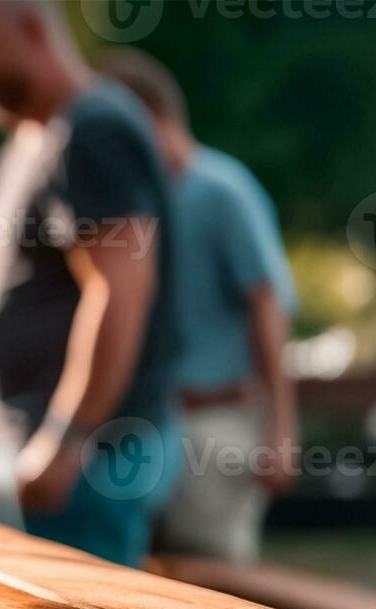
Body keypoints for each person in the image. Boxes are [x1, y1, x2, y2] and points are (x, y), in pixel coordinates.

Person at [0, 0, 183, 567]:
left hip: (85, 458)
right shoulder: (34, 141)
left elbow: (119, 291)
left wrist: (68, 437)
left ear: (33, 31)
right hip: (29, 445)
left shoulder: (94, 129)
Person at [103, 49, 299, 564]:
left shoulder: (221, 189)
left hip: (216, 420)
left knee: (214, 570)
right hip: (155, 423)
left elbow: (269, 303)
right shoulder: (141, 200)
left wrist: (281, 427)